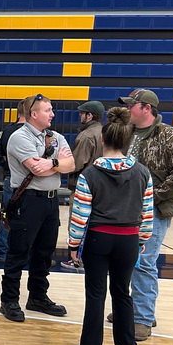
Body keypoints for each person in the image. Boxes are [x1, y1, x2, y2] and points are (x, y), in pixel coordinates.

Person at [68, 108, 154, 345]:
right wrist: (141, 241)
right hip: (128, 239)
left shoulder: (89, 175)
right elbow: (147, 213)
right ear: (128, 141)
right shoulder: (142, 173)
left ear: (103, 139)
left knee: (96, 293)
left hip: (99, 237)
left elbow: (80, 214)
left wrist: (74, 244)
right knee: (122, 291)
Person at [118, 88, 173, 341]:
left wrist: (152, 196)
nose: (128, 109)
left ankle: (142, 318)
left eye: (132, 106)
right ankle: (131, 309)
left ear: (146, 108)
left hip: (154, 209)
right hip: (123, 208)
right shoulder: (126, 134)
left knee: (143, 262)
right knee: (125, 261)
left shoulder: (171, 136)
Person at [0, 94, 76, 322]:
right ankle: (9, 300)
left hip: (51, 201)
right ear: (34, 114)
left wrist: (51, 163)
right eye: (48, 110)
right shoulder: (18, 137)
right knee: (19, 251)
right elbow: (36, 170)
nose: (52, 114)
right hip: (28, 200)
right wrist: (56, 165)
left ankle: (38, 296)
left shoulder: (55, 137)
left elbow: (70, 165)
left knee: (45, 252)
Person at [61, 100, 105, 273]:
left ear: (90, 115)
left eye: (82, 113)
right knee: (95, 225)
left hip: (83, 187)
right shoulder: (105, 132)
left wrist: (60, 161)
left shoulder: (86, 136)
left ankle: (77, 259)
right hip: (102, 187)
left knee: (78, 223)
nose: (80, 116)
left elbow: (77, 163)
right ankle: (93, 259)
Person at [0, 100, 27, 263]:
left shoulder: (7, 130)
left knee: (7, 214)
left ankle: (2, 252)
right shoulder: (34, 133)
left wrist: (6, 165)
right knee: (27, 216)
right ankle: (21, 252)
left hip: (10, 177)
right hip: (29, 180)